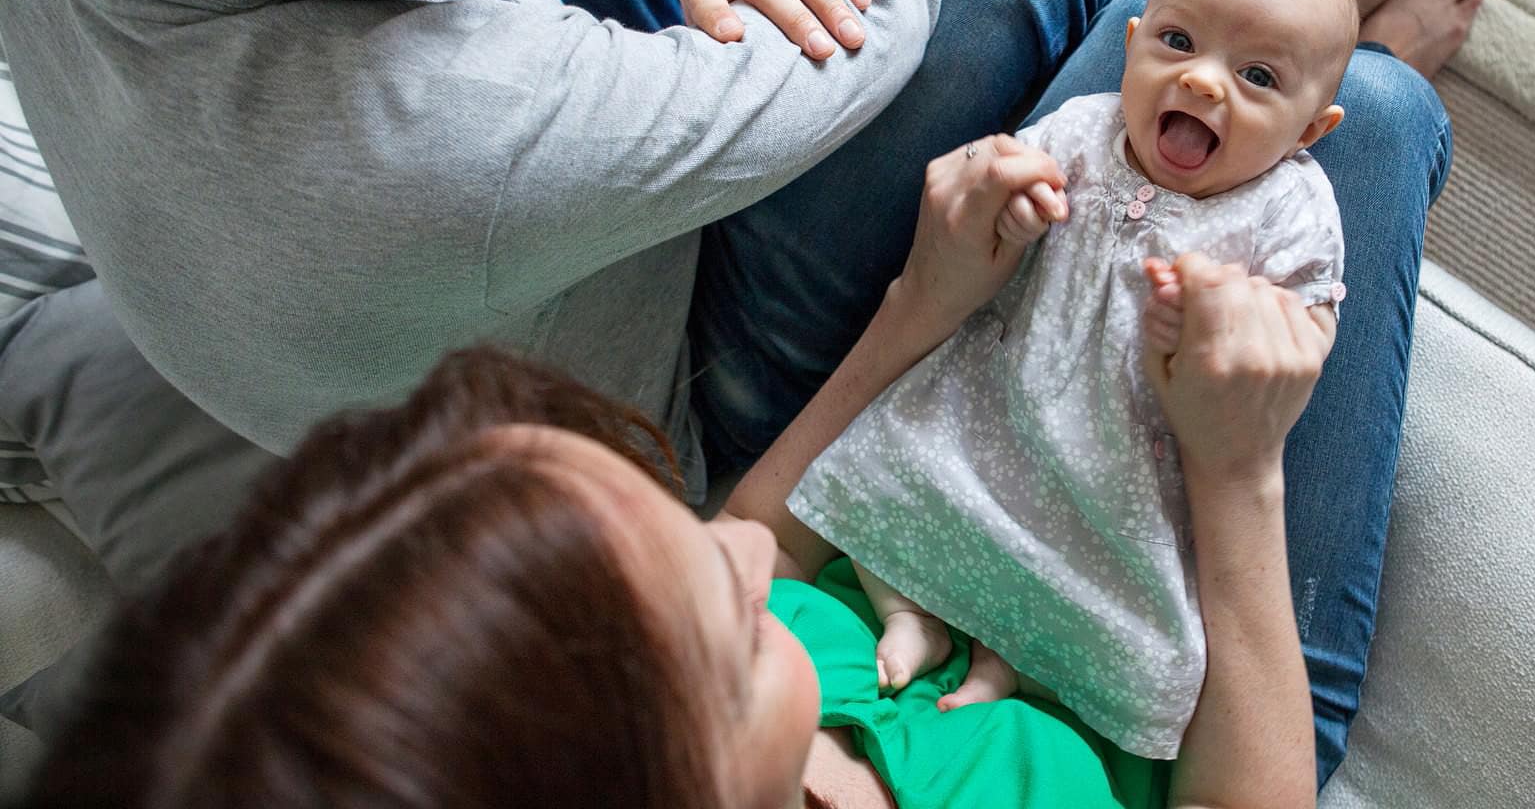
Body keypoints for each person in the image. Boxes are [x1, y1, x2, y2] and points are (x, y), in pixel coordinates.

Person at [0, 0, 1482, 778]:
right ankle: (1298, 65)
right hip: (635, 371)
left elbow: (759, 537)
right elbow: (886, 12)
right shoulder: (425, 143)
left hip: (547, 299)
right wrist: (1230, 474)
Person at [29, 134, 1355, 808]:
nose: (731, 538)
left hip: (936, 466)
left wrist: (925, 302)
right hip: (1204, 660)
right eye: (727, 627)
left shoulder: (685, 675)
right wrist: (1238, 480)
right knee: (1374, 119)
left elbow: (774, 531)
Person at [788, 0, 1360, 759]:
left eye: (1259, 77)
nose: (1201, 79)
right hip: (996, 408)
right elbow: (1011, 190)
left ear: (1310, 133)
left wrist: (1237, 319)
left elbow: (1311, 317)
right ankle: (914, 616)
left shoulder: (1292, 211)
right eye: (1176, 41)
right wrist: (1013, 210)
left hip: (1125, 466)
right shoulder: (1082, 128)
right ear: (1130, 50)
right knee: (883, 485)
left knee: (1114, 626)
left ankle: (1015, 666)